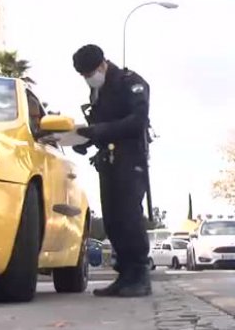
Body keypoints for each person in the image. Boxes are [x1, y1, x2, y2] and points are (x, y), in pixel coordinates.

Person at [71, 44, 151, 297]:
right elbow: (99, 126)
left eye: (90, 72)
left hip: (130, 157)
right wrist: (81, 140)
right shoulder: (98, 92)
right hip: (108, 160)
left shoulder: (130, 82)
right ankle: (124, 275)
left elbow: (137, 120)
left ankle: (139, 275)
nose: (88, 78)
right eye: (83, 76)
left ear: (103, 64)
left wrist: (100, 132)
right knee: (113, 221)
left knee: (129, 217)